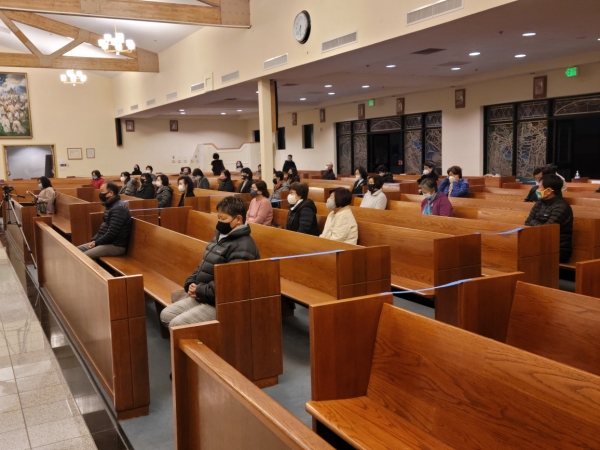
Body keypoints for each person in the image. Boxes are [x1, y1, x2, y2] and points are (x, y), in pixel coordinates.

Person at [159, 196, 260, 327]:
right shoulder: (221, 237)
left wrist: (199, 290)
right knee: (166, 315)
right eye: (218, 217)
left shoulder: (243, 246)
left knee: (176, 324)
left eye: (223, 219)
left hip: (222, 302)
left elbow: (229, 284)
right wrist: (191, 283)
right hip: (205, 294)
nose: (219, 222)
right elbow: (204, 265)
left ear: (238, 219)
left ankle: (205, 338)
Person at [525, 174, 573, 263]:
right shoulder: (540, 203)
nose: (537, 190)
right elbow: (527, 222)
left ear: (548, 191)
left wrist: (534, 221)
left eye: (540, 187)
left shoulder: (562, 207)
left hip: (558, 249)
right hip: (540, 245)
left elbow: (546, 230)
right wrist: (536, 223)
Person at [77, 182, 131, 260]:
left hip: (116, 245)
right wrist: (94, 240)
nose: (100, 193)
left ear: (110, 193)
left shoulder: (118, 208)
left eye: (102, 191)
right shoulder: (111, 205)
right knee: (75, 251)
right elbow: (104, 228)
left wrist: (97, 242)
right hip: (106, 242)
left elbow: (112, 233)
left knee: (83, 257)